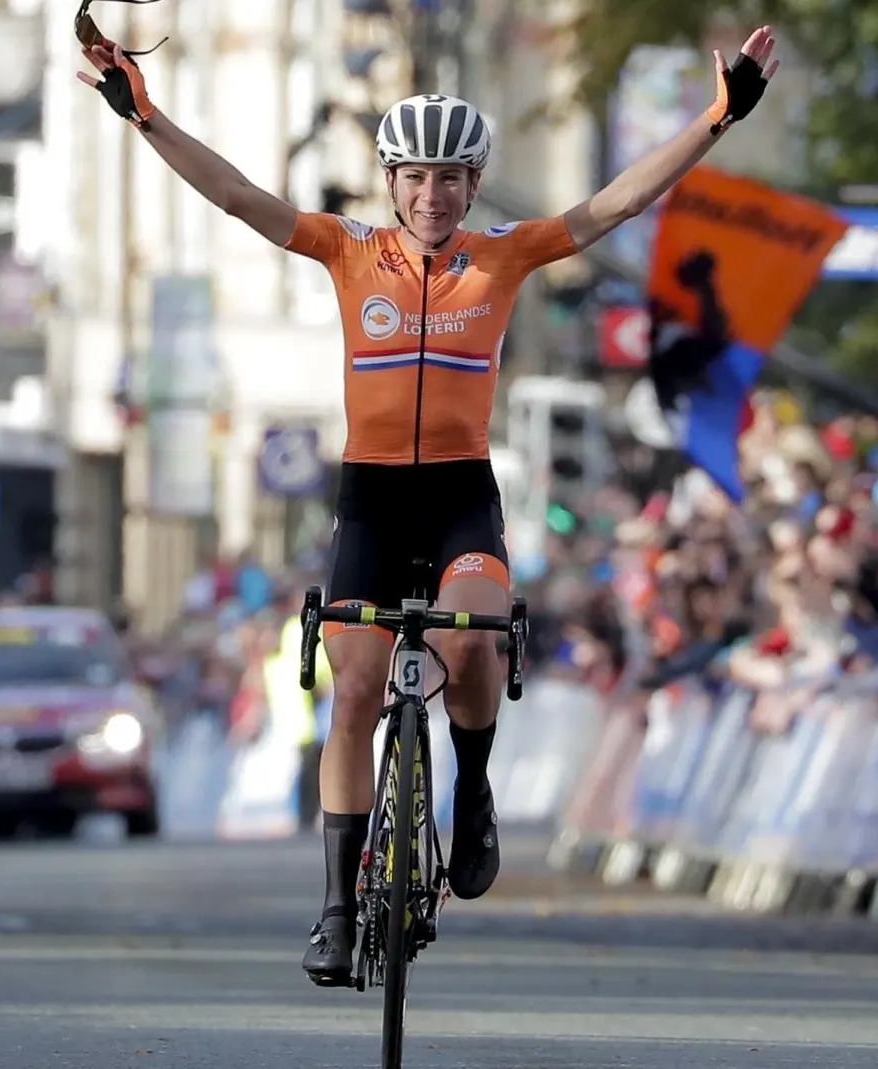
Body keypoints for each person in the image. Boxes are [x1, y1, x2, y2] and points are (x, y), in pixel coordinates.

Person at [78, 27, 783, 987]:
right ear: (390, 180)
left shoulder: (504, 257)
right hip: (371, 496)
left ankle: (475, 788)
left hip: (460, 493)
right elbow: (239, 194)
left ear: (474, 181)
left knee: (476, 637)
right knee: (357, 692)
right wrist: (147, 115)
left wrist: (715, 119)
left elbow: (616, 202)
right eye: (415, 176)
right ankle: (334, 908)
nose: (432, 194)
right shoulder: (345, 248)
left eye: (451, 177)